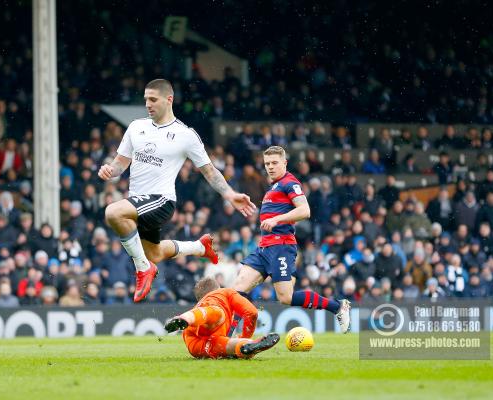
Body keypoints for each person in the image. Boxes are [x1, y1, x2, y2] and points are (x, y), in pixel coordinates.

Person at [98, 79, 256, 302]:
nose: (148, 104)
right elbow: (120, 163)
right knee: (155, 253)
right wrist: (109, 170)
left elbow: (210, 171)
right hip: (139, 202)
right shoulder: (136, 127)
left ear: (169, 99)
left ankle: (143, 269)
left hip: (161, 201)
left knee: (113, 212)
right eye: (146, 100)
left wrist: (229, 194)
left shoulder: (185, 135)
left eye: (153, 99)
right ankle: (199, 247)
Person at [231, 146, 351, 334]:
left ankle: (337, 306)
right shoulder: (273, 187)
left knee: (285, 298)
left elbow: (305, 210)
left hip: (281, 246)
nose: (270, 167)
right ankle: (226, 339)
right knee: (237, 289)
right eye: (267, 164)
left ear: (284, 163)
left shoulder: (290, 182)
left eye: (274, 163)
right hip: (264, 248)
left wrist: (276, 219)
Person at [164, 277, 279, 359]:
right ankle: (246, 342)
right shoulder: (224, 293)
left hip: (193, 342)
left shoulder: (199, 303)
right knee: (218, 315)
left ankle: (245, 345)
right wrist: (245, 336)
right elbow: (252, 312)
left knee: (225, 343)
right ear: (218, 288)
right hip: (213, 318)